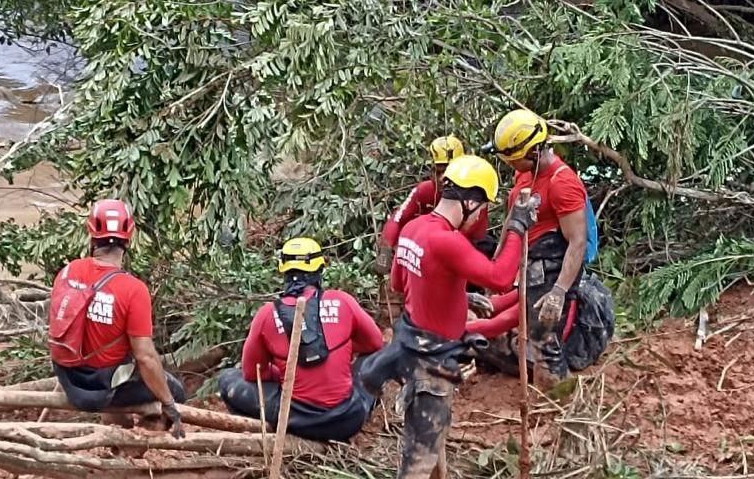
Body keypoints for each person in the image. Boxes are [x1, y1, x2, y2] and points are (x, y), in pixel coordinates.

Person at [359, 155, 536, 479]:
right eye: (482, 210)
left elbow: (402, 282)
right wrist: (517, 226)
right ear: (470, 201)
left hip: (411, 345)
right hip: (432, 362)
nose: (480, 217)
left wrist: (457, 294)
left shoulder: (414, 228)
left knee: (430, 443)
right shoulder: (447, 241)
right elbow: (499, 277)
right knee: (418, 461)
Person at [475, 108, 614, 383]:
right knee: (521, 331)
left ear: (534, 153)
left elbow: (577, 243)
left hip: (550, 270)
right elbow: (512, 220)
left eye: (513, 160)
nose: (511, 167)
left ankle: (555, 401)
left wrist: (559, 292)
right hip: (529, 265)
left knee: (544, 342)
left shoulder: (563, 184)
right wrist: (499, 266)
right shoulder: (525, 175)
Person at [218, 237, 384, 442]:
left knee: (227, 379)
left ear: (284, 271)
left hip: (296, 421)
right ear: (320, 269)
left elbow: (253, 373)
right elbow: (375, 344)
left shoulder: (267, 314)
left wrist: (283, 371)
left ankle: (260, 434)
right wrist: (339, 352)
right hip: (348, 421)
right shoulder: (343, 301)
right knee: (376, 358)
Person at [48, 199, 186, 438]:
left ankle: (119, 431)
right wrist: (169, 403)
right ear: (129, 238)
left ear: (91, 234)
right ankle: (143, 440)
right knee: (174, 389)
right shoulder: (133, 289)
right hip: (100, 391)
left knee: (118, 363)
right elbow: (145, 357)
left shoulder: (67, 272)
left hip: (69, 379)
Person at [374, 135, 494, 274]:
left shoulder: (474, 196)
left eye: (448, 171)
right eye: (439, 171)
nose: (443, 178)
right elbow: (397, 218)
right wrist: (386, 250)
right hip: (427, 251)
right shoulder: (425, 191)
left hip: (460, 252)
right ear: (432, 173)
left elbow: (477, 234)